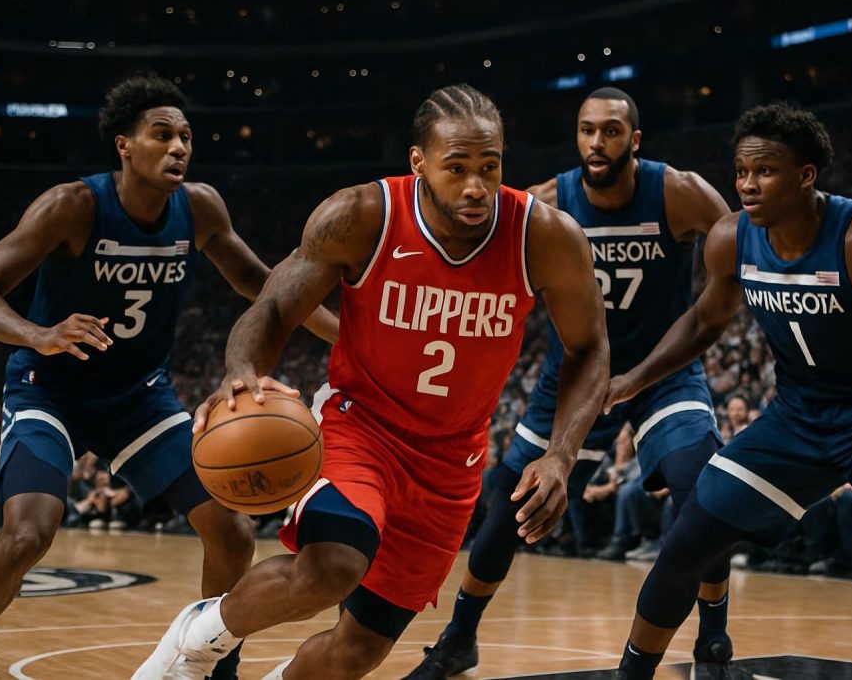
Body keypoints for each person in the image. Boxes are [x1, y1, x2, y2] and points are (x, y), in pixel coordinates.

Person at [132, 83, 609, 680]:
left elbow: (590, 349)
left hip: (450, 463)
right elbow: (276, 308)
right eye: (456, 168)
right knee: (332, 566)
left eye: (489, 167)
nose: (475, 186)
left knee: (358, 650)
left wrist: (561, 456)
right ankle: (197, 641)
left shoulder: (544, 236)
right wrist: (242, 369)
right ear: (418, 162)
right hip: (361, 429)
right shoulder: (361, 216)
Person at [0, 74, 337, 680]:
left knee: (233, 529)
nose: (179, 147)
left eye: (186, 136)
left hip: (139, 397)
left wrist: (343, 334)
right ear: (124, 145)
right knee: (30, 532)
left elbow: (262, 286)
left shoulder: (200, 207)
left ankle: (214, 662)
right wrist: (40, 334)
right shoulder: (72, 206)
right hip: (51, 388)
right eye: (162, 135)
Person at [605, 102, 852, 680]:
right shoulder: (730, 238)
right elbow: (705, 322)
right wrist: (636, 377)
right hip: (795, 418)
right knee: (686, 544)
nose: (748, 185)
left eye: (766, 171)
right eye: (741, 171)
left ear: (806, 175)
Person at [407, 86, 733, 680]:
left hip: (661, 374)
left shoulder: (679, 193)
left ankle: (713, 638)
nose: (596, 142)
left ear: (634, 139)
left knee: (699, 485)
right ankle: (459, 637)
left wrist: (705, 321)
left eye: (610, 131)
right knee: (508, 508)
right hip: (577, 375)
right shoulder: (548, 204)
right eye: (586, 130)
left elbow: (742, 249)